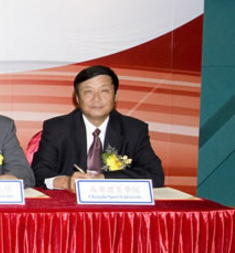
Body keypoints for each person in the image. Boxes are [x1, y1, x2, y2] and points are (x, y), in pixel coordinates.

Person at [31, 65, 164, 190]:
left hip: (117, 209)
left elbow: (155, 175)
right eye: (88, 92)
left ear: (115, 96)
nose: (96, 99)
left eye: (104, 91)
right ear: (77, 98)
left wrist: (103, 178)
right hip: (70, 208)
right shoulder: (57, 128)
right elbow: (38, 173)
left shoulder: (133, 130)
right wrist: (66, 182)